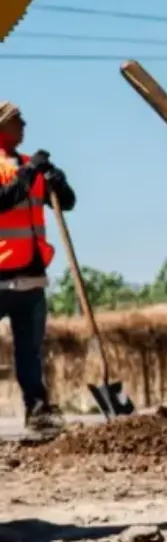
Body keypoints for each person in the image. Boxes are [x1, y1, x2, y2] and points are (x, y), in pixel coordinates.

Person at [0, 101, 76, 434]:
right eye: (18, 121)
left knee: (30, 353)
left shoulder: (31, 166)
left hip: (32, 278)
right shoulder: (18, 170)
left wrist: (57, 181)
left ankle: (38, 412)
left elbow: (68, 203)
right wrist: (30, 174)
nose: (24, 126)